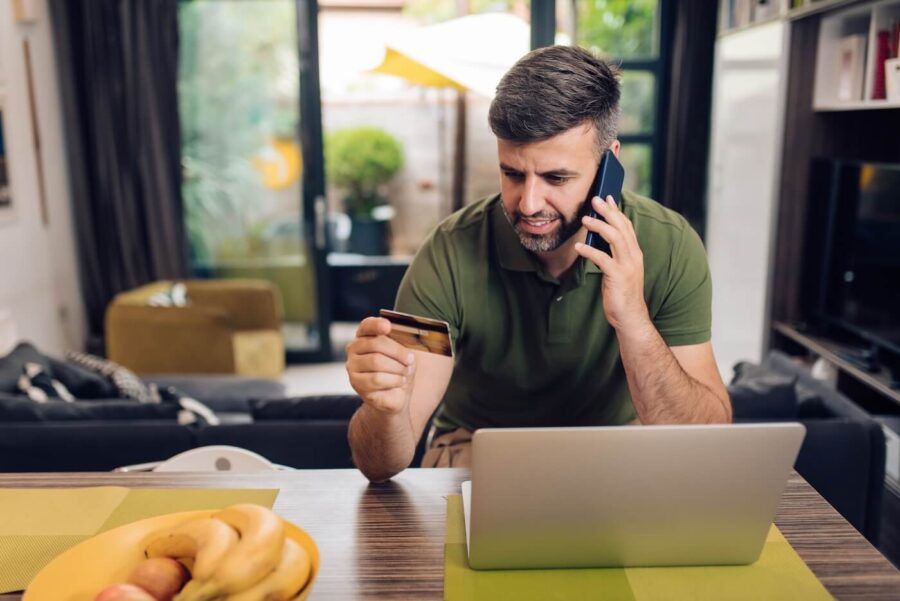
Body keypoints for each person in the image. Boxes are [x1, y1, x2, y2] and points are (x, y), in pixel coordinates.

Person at [346, 45, 732, 482]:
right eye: (512, 174)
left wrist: (634, 322)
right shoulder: (448, 252)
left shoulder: (669, 244)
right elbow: (381, 464)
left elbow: (706, 440)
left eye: (556, 178)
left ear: (610, 164)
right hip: (479, 451)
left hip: (618, 452)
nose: (528, 204)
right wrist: (384, 408)